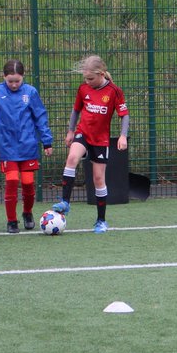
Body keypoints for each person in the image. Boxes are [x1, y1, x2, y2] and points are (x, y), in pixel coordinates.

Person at [51, 55, 129, 233]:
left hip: (100, 140)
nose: (88, 82)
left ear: (101, 74)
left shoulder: (114, 91)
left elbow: (124, 114)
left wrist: (123, 136)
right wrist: (71, 131)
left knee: (98, 179)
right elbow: (76, 109)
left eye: (91, 78)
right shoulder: (83, 89)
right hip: (83, 133)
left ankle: (101, 220)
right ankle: (65, 202)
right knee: (71, 158)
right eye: (85, 78)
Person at [0, 59, 53, 233]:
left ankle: (27, 213)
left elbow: (40, 117)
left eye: (17, 81)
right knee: (11, 181)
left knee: (28, 184)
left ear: (23, 77)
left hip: (28, 146)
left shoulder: (30, 92)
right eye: (10, 81)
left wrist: (46, 141)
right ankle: (11, 221)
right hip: (6, 147)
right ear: (4, 77)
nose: (13, 84)